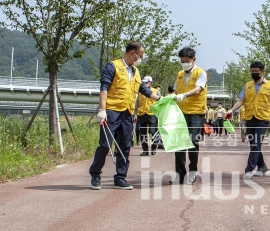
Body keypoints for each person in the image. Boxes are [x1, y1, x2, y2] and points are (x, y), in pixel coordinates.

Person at [89, 41, 157, 190]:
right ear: (132, 53)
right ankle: (95, 174)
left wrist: (159, 99)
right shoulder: (112, 66)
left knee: (125, 146)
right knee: (105, 144)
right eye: (140, 55)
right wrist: (102, 110)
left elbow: (143, 90)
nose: (140, 58)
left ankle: (120, 178)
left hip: (128, 113)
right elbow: (104, 88)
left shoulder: (136, 72)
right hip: (112, 112)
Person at [225, 61, 270, 180]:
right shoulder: (247, 85)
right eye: (252, 71)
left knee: (256, 143)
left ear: (262, 71)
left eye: (256, 71)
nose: (254, 73)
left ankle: (249, 169)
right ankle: (262, 166)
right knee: (253, 144)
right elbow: (240, 100)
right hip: (250, 117)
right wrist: (231, 111)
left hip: (263, 118)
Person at [169, 47, 208, 185]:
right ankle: (179, 174)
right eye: (182, 61)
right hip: (181, 113)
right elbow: (175, 90)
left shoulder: (201, 73)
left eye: (187, 61)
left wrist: (184, 95)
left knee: (192, 142)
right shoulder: (180, 74)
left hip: (196, 113)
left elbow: (198, 89)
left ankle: (192, 173)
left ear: (193, 60)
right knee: (179, 144)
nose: (184, 63)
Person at [136, 76, 161, 156]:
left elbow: (160, 103)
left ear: (151, 82)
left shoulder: (156, 91)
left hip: (152, 114)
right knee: (142, 133)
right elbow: (137, 103)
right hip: (142, 114)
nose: (145, 84)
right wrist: (135, 113)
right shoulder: (140, 92)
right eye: (144, 83)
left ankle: (153, 148)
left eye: (147, 82)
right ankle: (145, 150)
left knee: (152, 132)